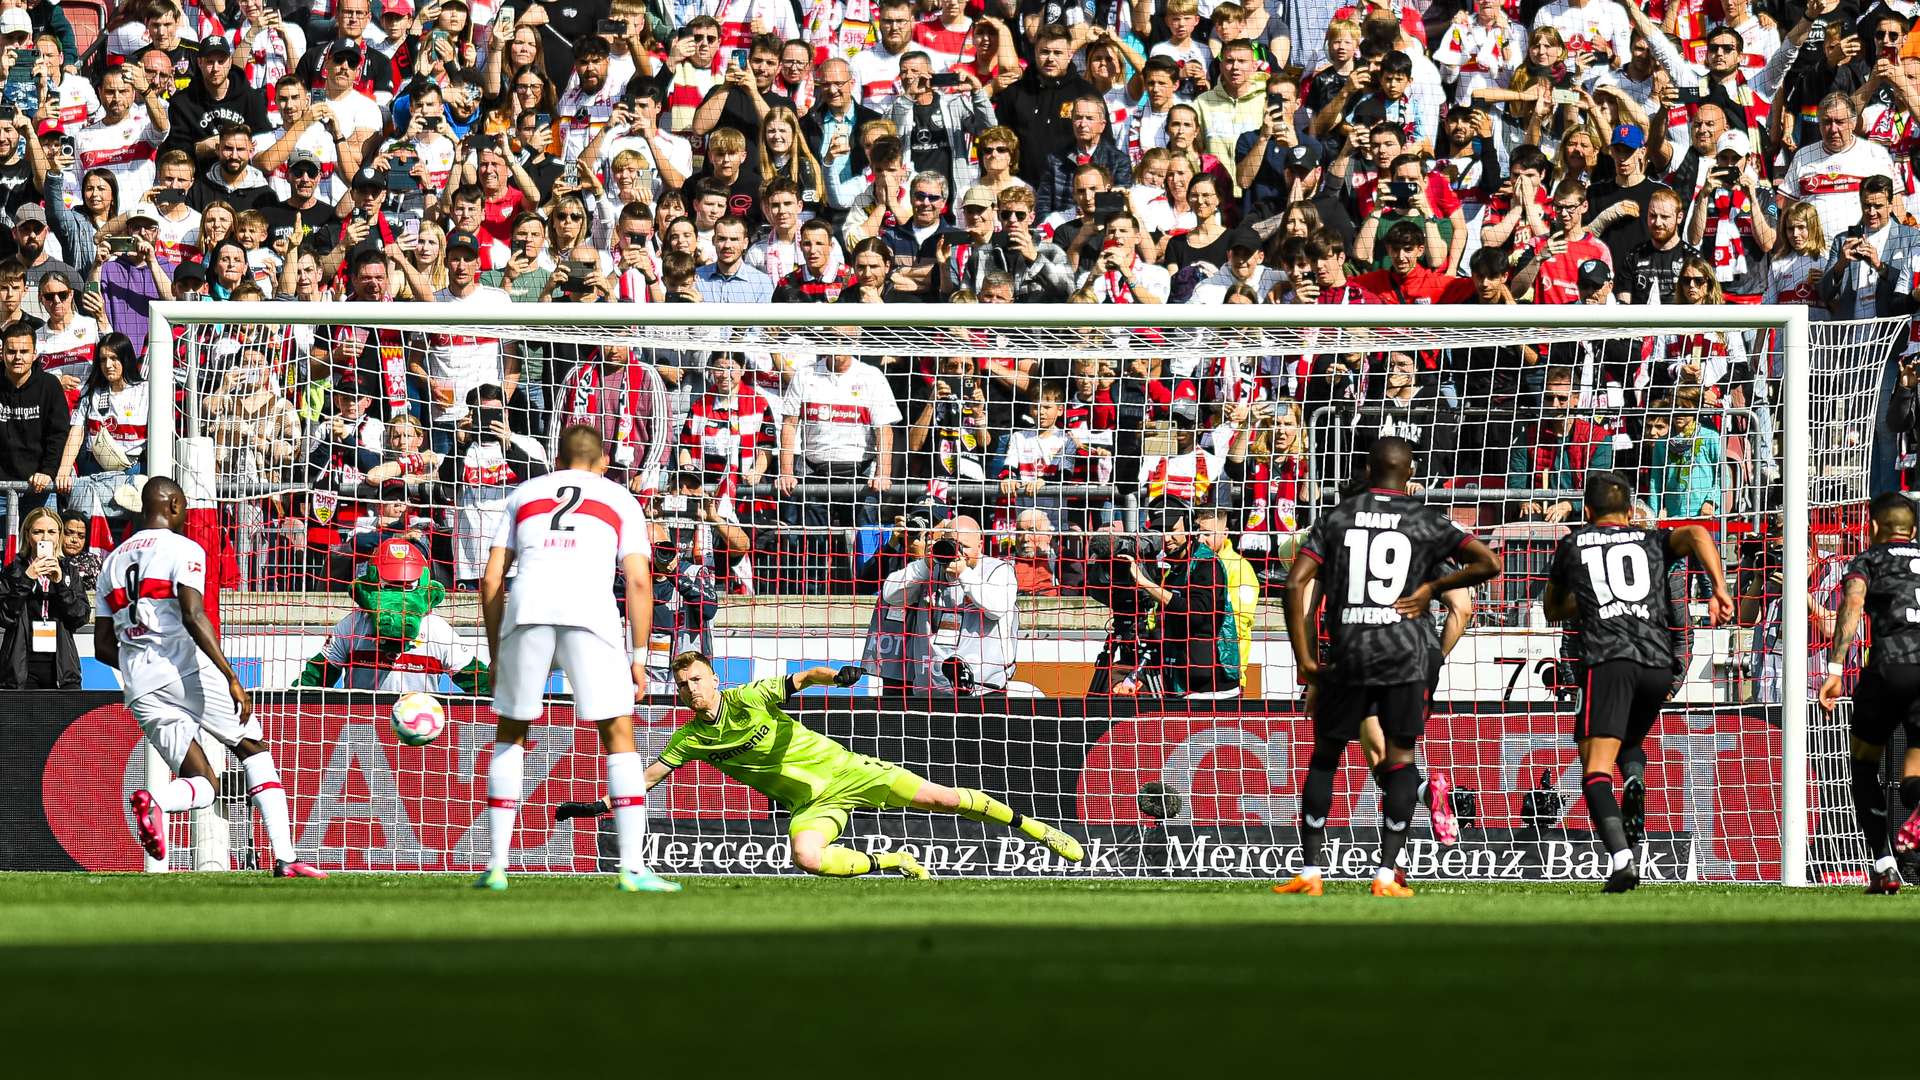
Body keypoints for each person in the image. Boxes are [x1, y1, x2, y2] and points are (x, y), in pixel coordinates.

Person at [554, 650, 1084, 879]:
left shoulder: (750, 697)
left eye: (698, 679)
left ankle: (1039, 830)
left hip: (850, 772)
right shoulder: (690, 739)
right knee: (806, 856)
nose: (692, 689)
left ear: (714, 678)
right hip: (811, 803)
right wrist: (597, 807)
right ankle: (892, 862)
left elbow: (804, 678)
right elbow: (647, 779)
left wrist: (840, 676)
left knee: (943, 799)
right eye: (683, 683)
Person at [1277, 437, 1502, 897]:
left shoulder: (1337, 518)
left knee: (1328, 757)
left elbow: (1296, 587)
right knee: (1398, 759)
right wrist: (1432, 595)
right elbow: (1480, 579)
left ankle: (1311, 870)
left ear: (1366, 468)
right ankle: (1386, 872)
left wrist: (1307, 663)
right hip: (1409, 656)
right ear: (1412, 471)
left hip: (1351, 652)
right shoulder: (1425, 522)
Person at [477, 425, 671, 894]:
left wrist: (497, 652)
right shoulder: (620, 497)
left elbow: (491, 578)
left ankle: (497, 866)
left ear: (557, 460)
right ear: (603, 461)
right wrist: (639, 656)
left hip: (528, 608)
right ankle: (632, 869)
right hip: (590, 613)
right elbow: (639, 580)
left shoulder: (525, 493)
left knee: (511, 732)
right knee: (617, 734)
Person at [103, 478, 326, 878]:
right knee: (252, 748)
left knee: (203, 783)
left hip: (139, 684)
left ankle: (158, 800)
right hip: (185, 667)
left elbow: (103, 646)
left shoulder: (112, 561)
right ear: (174, 505)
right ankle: (286, 857)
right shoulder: (184, 548)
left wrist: (144, 665)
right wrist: (230, 677)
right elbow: (193, 615)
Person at [1545, 471, 1734, 892]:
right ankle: (1634, 779)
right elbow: (1698, 532)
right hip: (1658, 664)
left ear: (1587, 511)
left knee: (1594, 767)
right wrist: (1718, 589)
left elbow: (1553, 610)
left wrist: (1583, 597)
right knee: (1628, 740)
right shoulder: (1651, 540)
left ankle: (1622, 860)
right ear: (1630, 512)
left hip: (1610, 662)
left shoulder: (1573, 544)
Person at [1818, 493, 1920, 894]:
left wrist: (1834, 669)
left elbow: (1853, 603)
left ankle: (1883, 864)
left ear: (1873, 527)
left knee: (1863, 765)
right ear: (1914, 530)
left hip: (1889, 668)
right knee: (1913, 771)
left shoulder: (1869, 559)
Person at [294, 538, 491, 693]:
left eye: (407, 586)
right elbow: (315, 678)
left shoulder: (437, 630)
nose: (399, 594)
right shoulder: (352, 625)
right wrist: (290, 699)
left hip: (421, 725)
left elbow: (477, 680)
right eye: (390, 586)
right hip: (362, 725)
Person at [0, 506, 90, 688]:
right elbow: (3, 617)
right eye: (38, 532)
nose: (45, 538)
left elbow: (80, 617)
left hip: (62, 669)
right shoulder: (14, 570)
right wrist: (26, 580)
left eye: (51, 532)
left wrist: (60, 584)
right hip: (21, 669)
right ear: (27, 535)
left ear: (59, 535)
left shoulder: (69, 571)